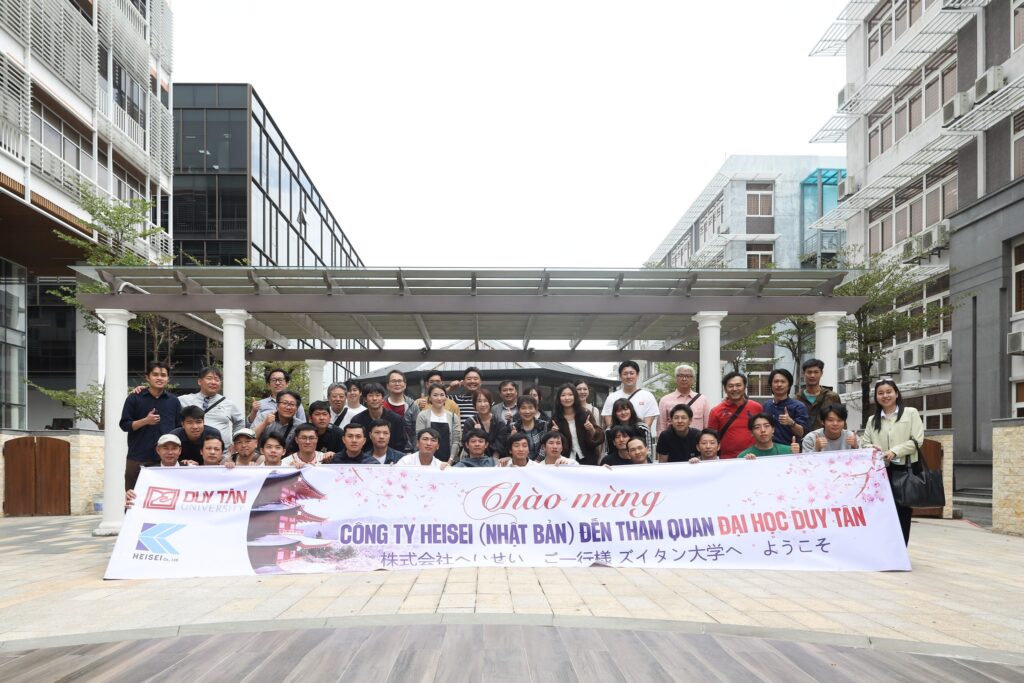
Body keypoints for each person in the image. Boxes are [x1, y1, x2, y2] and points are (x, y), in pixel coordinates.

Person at [862, 379, 923, 545]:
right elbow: (864, 443)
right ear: (876, 397)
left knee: (902, 512)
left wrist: (895, 451)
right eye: (880, 393)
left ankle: (901, 550)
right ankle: (884, 548)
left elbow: (917, 441)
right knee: (881, 511)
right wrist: (872, 447)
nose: (885, 396)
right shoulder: (872, 420)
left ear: (896, 393)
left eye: (889, 392)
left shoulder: (910, 413)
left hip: (904, 469)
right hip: (880, 472)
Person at [119, 361, 181, 490]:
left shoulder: (174, 401)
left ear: (168, 379)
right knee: (134, 497)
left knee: (166, 496)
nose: (159, 378)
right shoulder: (134, 398)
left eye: (163, 375)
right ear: (147, 377)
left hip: (166, 460)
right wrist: (145, 421)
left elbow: (178, 429)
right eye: (155, 374)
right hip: (138, 457)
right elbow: (124, 425)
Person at [177, 366, 244, 451]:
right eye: (209, 378)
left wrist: (236, 441)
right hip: (190, 451)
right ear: (199, 381)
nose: (213, 382)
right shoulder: (183, 400)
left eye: (217, 379)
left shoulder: (229, 404)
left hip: (221, 452)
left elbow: (240, 422)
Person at [123, 434, 195, 509]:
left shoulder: (190, 470)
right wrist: (131, 496)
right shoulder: (147, 473)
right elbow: (137, 499)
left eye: (174, 448)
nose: (170, 452)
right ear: (158, 450)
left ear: (180, 451)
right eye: (165, 448)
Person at [706, 372, 763, 459]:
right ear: (725, 389)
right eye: (730, 386)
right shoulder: (716, 411)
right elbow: (711, 438)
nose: (735, 389)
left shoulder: (756, 407)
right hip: (727, 459)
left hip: (754, 457)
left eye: (738, 385)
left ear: (745, 387)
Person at [549, 383, 604, 465]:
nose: (567, 398)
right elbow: (550, 440)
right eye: (563, 395)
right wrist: (553, 432)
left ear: (575, 396)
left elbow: (599, 437)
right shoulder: (556, 418)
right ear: (559, 398)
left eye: (570, 395)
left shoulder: (585, 414)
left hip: (588, 459)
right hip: (565, 461)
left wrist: (591, 429)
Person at [351, 383, 408, 452]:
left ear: (382, 398)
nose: (374, 398)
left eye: (377, 395)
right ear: (365, 399)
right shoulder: (357, 420)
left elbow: (401, 444)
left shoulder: (397, 419)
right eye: (370, 395)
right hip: (365, 457)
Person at [601, 361, 658, 429]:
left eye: (632, 373)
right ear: (620, 376)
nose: (628, 376)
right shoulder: (612, 397)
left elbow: (646, 426)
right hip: (618, 435)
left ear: (637, 375)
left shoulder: (648, 396)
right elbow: (610, 424)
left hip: (639, 434)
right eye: (625, 374)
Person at [415, 383, 462, 462]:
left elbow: (456, 441)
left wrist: (450, 460)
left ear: (446, 397)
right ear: (429, 398)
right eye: (435, 395)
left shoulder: (453, 417)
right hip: (427, 460)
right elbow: (419, 438)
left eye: (442, 395)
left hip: (449, 460)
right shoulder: (422, 415)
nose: (439, 398)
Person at [762, 368, 810, 446]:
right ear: (771, 385)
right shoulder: (766, 405)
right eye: (776, 381)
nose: (779, 385)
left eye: (783, 382)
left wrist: (791, 423)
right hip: (768, 449)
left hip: (789, 449)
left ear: (789, 385)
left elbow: (802, 433)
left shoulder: (798, 406)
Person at [657, 365, 710, 431]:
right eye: (681, 376)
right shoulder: (665, 400)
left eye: (688, 376)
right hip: (672, 437)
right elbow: (661, 428)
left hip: (696, 437)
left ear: (693, 380)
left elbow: (707, 426)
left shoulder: (702, 400)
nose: (684, 379)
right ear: (676, 378)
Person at [796, 359, 843, 431]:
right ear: (803, 374)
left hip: (827, 437)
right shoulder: (797, 399)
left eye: (816, 372)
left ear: (821, 373)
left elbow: (841, 419)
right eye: (809, 372)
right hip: (803, 437)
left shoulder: (832, 397)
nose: (812, 375)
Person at [463, 388, 508, 458]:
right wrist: (475, 432)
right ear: (474, 404)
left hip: (497, 460)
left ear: (490, 403)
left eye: (485, 401)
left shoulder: (499, 422)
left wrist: (493, 461)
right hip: (475, 459)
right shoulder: (469, 422)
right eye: (479, 401)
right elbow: (466, 443)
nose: (482, 404)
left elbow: (500, 444)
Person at [383, 370, 420, 451]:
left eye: (399, 381)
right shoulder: (381, 404)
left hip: (407, 450)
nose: (397, 384)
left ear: (405, 385)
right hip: (384, 449)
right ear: (388, 386)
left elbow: (416, 431)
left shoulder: (413, 405)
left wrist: (415, 450)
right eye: (393, 381)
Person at [510, 395, 548, 460]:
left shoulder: (543, 425)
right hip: (519, 462)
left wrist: (536, 462)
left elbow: (544, 447)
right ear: (518, 410)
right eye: (523, 408)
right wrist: (512, 438)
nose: (527, 411)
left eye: (530, 408)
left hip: (539, 463)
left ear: (535, 409)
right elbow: (509, 450)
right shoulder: (513, 426)